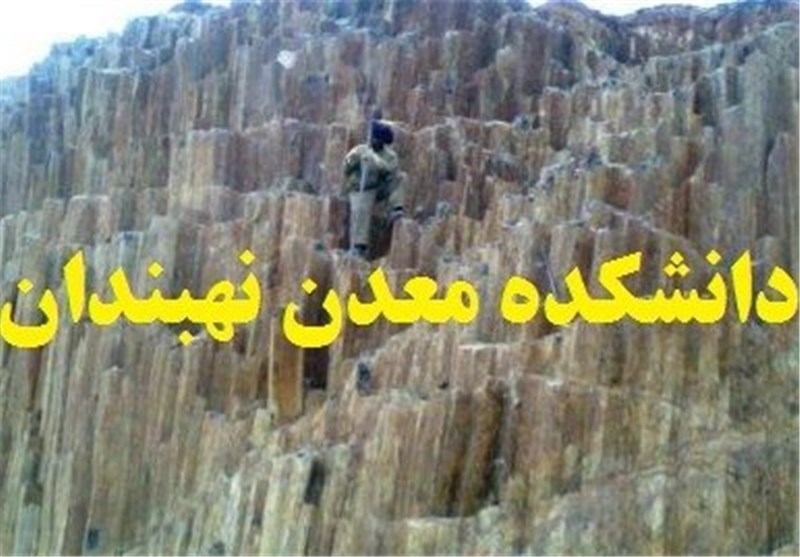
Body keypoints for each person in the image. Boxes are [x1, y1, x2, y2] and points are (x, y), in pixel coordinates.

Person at [342, 120, 405, 258]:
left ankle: (396, 209)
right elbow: (346, 167)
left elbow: (390, 170)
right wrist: (356, 159)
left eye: (378, 140)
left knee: (400, 178)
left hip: (378, 187)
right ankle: (359, 246)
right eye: (373, 139)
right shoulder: (360, 150)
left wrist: (374, 160)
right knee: (361, 209)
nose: (374, 142)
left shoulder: (389, 156)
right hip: (360, 189)